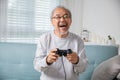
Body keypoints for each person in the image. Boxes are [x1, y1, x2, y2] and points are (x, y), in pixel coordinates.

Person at [34, 6, 88, 80]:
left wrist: (77, 61)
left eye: (66, 16)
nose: (62, 19)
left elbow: (83, 69)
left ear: (70, 21)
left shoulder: (78, 40)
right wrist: (47, 60)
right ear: (52, 22)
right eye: (57, 17)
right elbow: (37, 66)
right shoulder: (44, 39)